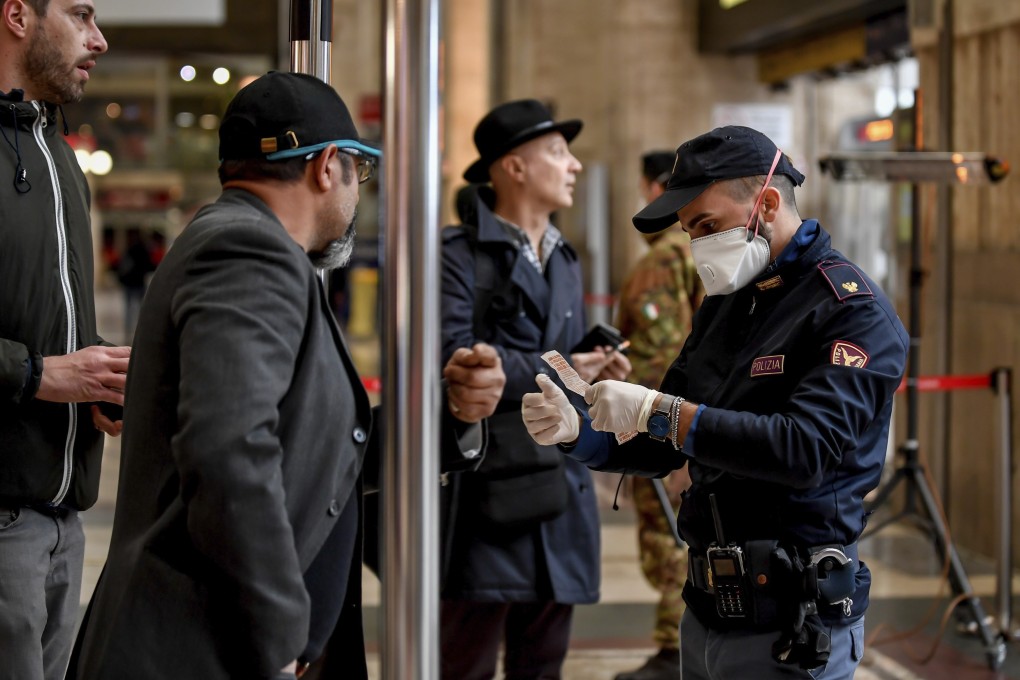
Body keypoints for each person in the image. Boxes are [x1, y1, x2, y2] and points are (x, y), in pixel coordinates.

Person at [69, 71, 505, 680]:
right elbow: (228, 451)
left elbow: (315, 448)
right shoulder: (250, 251)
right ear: (328, 165)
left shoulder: (242, 244)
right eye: (360, 172)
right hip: (209, 646)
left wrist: (451, 414)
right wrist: (276, 634)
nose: (357, 193)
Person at [523, 126, 908, 679]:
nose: (699, 246)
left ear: (768, 204)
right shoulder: (729, 306)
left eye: (708, 226)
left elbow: (804, 450)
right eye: (689, 233)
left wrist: (662, 413)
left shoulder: (848, 312)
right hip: (708, 608)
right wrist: (578, 432)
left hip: (789, 621)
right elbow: (665, 437)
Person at [440, 99, 630, 679]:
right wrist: (563, 367)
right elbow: (451, 359)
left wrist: (592, 373)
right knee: (465, 661)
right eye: (557, 152)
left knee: (543, 662)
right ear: (512, 167)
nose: (573, 165)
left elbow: (562, 369)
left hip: (562, 488)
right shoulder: (457, 257)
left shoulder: (566, 258)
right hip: (489, 493)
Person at [0, 2, 128, 679]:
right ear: (19, 15)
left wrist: (99, 378)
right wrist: (36, 374)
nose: (99, 39)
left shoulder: (54, 149)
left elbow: (50, 315)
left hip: (62, 517)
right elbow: (38, 360)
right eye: (80, 15)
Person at [611, 151, 703, 680]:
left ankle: (675, 651)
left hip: (669, 430)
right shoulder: (698, 253)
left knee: (669, 540)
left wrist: (664, 445)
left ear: (651, 189)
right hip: (705, 427)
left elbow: (658, 360)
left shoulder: (663, 260)